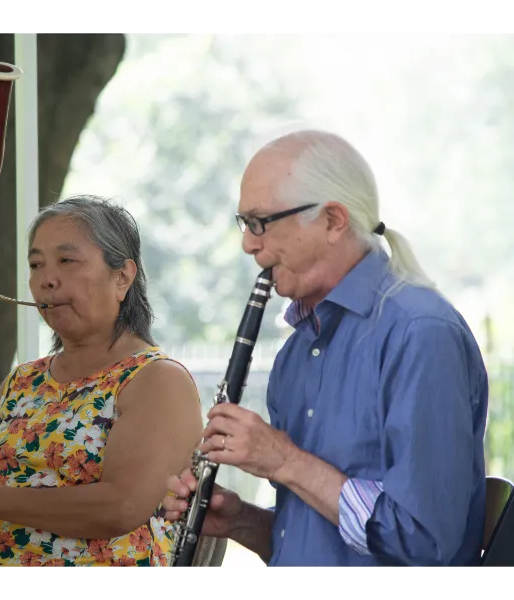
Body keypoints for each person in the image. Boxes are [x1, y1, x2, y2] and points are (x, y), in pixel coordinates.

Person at [163, 128, 489, 568]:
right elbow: (315, 544)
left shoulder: (419, 333)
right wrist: (241, 521)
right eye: (244, 224)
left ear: (333, 220)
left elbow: (424, 542)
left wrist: (282, 459)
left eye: (260, 223)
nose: (248, 244)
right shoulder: (295, 357)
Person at [0, 194, 203, 568]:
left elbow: (123, 506)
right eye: (35, 264)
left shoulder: (157, 380)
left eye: (67, 261)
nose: (46, 279)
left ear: (122, 277)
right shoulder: (22, 381)